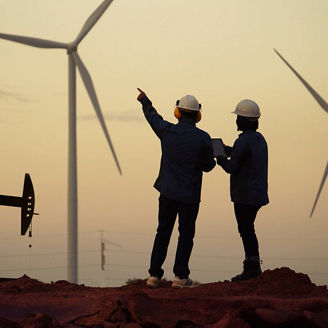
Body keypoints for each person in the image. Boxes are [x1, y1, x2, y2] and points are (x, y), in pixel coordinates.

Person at [137, 88, 216, 288]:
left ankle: (154, 275)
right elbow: (208, 167)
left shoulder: (167, 131)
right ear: (198, 115)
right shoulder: (203, 138)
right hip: (189, 195)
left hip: (167, 192)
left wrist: (145, 101)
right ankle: (180, 277)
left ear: (178, 112)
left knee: (162, 231)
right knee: (186, 235)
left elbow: (152, 117)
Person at [216, 99, 269, 282]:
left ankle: (252, 268)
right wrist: (228, 149)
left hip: (245, 195)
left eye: (238, 117)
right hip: (258, 193)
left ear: (244, 120)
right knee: (248, 229)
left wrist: (220, 156)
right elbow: (244, 157)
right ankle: (253, 265)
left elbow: (231, 167)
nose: (236, 120)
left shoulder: (244, 141)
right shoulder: (259, 139)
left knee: (246, 230)